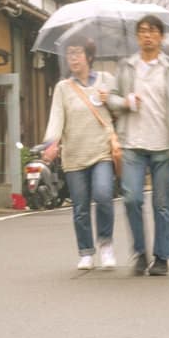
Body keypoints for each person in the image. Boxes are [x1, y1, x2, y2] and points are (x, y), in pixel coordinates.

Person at [112, 13, 169, 276]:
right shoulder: (126, 67)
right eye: (142, 31)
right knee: (131, 199)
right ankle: (140, 251)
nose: (147, 35)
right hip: (132, 143)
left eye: (152, 31)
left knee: (161, 203)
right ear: (137, 37)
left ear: (161, 36)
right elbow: (113, 99)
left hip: (164, 145)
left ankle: (161, 257)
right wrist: (125, 102)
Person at [43, 39, 123, 271]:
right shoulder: (63, 88)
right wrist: (51, 143)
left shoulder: (107, 80)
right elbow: (56, 117)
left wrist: (111, 100)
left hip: (101, 151)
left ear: (89, 56)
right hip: (74, 154)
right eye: (70, 54)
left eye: (78, 53)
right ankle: (86, 252)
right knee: (80, 206)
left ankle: (106, 244)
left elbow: (119, 109)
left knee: (103, 195)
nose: (73, 58)